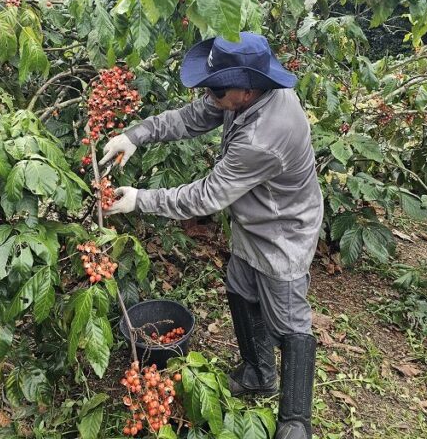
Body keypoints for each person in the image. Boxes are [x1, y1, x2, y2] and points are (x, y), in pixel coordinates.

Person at [102, 32, 324, 439]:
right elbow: (191, 118)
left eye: (216, 89)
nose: (210, 95)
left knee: (290, 320)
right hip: (253, 218)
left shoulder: (265, 136)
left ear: (246, 88)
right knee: (240, 286)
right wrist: (136, 135)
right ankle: (258, 373)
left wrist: (141, 199)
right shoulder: (242, 97)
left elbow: (208, 195)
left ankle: (296, 421)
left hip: (284, 229)